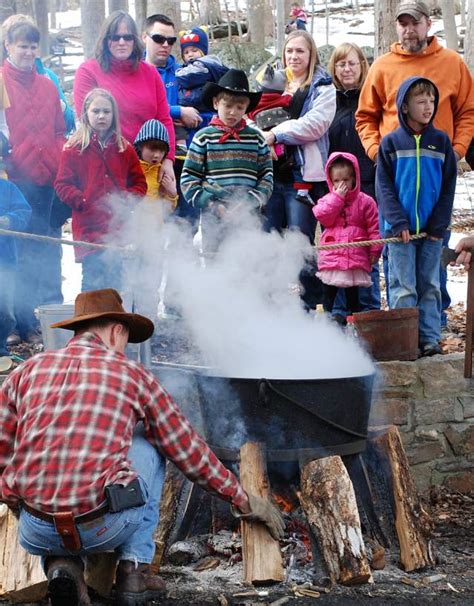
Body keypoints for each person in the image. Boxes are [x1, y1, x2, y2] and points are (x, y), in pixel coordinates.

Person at [0, 288, 285, 605]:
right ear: (116, 331)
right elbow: (187, 450)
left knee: (49, 472)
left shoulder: (25, 371)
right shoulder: (132, 375)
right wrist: (242, 499)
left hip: (35, 529)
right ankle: (133, 571)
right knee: (151, 444)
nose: (124, 349)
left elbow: (3, 453)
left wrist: (19, 502)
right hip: (102, 528)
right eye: (125, 340)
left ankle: (61, 565)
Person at [356, 0, 474, 323]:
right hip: (397, 175)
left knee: (435, 248)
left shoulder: (452, 63)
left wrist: (457, 149)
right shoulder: (382, 66)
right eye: (403, 23)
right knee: (399, 256)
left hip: (437, 172)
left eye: (415, 23)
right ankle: (403, 328)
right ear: (397, 27)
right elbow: (365, 116)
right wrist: (375, 153)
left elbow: (468, 111)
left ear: (428, 25)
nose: (409, 30)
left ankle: (433, 326)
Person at [376, 77, 457, 357]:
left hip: (433, 232)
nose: (428, 106)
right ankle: (404, 341)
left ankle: (429, 340)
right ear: (405, 107)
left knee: (431, 285)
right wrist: (397, 222)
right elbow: (384, 188)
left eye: (431, 100)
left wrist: (438, 224)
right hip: (400, 233)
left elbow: (448, 187)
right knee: (403, 287)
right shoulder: (391, 144)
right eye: (421, 101)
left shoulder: (441, 142)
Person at [259, 29, 336, 311]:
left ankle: (311, 307)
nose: (294, 56)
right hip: (269, 176)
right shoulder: (272, 83)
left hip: (301, 178)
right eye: (289, 51)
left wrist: (275, 134)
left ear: (311, 54)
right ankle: (268, 305)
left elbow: (315, 125)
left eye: (300, 51)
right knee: (267, 243)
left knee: (301, 244)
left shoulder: (323, 86)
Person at [1, 20, 65, 345]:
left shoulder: (48, 85)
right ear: (8, 46)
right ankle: (14, 323)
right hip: (14, 179)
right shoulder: (0, 81)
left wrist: (55, 158)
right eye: (20, 45)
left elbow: (58, 129)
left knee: (42, 251)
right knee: (15, 253)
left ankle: (39, 320)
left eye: (31, 46)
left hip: (45, 178)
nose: (27, 51)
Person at [55, 88, 147, 293]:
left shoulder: (125, 148)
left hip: (118, 229)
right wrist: (83, 201)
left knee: (116, 285)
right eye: (96, 111)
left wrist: (125, 202)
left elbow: (140, 183)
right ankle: (90, 325)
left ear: (114, 115)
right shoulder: (74, 148)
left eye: (106, 111)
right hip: (88, 231)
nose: (101, 116)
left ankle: (113, 324)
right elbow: (62, 184)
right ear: (86, 113)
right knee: (92, 284)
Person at [73, 10, 176, 189]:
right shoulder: (88, 71)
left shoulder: (150, 73)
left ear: (135, 40)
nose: (122, 42)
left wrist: (168, 160)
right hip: (106, 167)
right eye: (115, 37)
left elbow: (164, 119)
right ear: (106, 40)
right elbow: (87, 123)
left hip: (148, 166)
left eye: (127, 37)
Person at [180, 69, 273, 251]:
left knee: (247, 264)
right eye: (227, 105)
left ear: (246, 108)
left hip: (248, 216)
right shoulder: (203, 137)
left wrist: (247, 203)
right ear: (216, 103)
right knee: (214, 265)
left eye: (239, 107)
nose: (233, 112)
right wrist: (213, 205)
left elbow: (266, 178)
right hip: (213, 216)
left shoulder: (256, 139)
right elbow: (188, 180)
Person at [327, 42, 380, 321]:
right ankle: (339, 312)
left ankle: (369, 312)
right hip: (335, 190)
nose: (346, 69)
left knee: (367, 250)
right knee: (338, 251)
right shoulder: (328, 101)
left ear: (362, 66)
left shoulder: (372, 99)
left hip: (368, 186)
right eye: (341, 63)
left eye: (352, 63)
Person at [314, 152, 382, 315]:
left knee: (354, 297)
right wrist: (337, 198)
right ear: (330, 181)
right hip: (332, 257)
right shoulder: (327, 200)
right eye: (336, 181)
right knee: (329, 294)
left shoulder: (366, 201)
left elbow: (374, 228)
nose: (341, 184)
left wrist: (375, 250)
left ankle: (353, 324)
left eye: (345, 180)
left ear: (354, 178)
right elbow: (323, 216)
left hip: (355, 257)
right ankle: (326, 322)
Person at [175, 26, 228, 145]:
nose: (190, 55)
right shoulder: (189, 68)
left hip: (206, 115)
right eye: (186, 52)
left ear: (203, 51)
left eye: (194, 50)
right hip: (193, 118)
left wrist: (176, 72)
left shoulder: (204, 66)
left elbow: (185, 78)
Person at [0, 176, 31, 368]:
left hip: (5, 260)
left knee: (4, 311)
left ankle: (0, 350)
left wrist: (8, 220)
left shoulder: (8, 188)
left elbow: (24, 211)